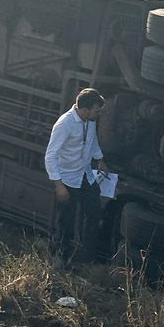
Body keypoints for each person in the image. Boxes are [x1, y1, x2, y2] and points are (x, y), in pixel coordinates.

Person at [45, 88, 108, 264]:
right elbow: (50, 155)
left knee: (94, 214)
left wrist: (100, 159)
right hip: (67, 180)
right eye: (97, 110)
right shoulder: (64, 124)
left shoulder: (90, 120)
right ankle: (61, 260)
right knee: (66, 223)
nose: (98, 113)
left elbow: (92, 141)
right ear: (86, 109)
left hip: (85, 176)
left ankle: (88, 258)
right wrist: (59, 185)